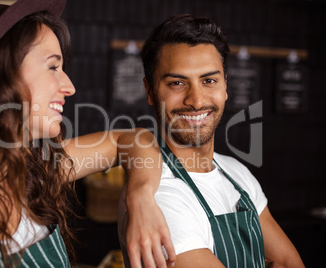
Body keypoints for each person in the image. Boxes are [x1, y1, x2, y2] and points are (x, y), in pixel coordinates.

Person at [0, 0, 176, 267]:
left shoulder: (38, 169)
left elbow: (134, 140)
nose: (69, 86)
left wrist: (140, 197)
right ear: (1, 75)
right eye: (53, 67)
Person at [118, 14, 305, 267]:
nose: (196, 100)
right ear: (150, 91)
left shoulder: (236, 173)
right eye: (176, 83)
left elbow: (290, 263)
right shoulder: (159, 195)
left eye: (209, 81)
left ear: (225, 86)